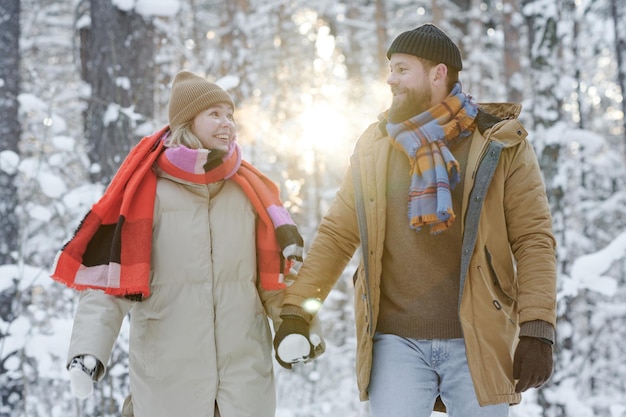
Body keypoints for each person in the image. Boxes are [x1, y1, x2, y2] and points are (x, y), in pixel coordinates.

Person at [273, 23, 557, 417]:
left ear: (438, 73)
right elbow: (338, 234)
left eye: (402, 69)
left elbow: (533, 239)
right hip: (394, 342)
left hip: (478, 338)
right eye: (390, 69)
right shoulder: (375, 146)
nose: (391, 79)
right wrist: (296, 312)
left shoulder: (500, 144)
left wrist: (537, 328)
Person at [51, 70, 323, 417]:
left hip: (242, 378)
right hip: (167, 377)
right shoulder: (146, 194)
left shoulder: (248, 192)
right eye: (215, 114)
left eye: (230, 115)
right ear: (186, 122)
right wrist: (88, 352)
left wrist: (294, 326)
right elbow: (110, 284)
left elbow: (275, 280)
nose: (227, 124)